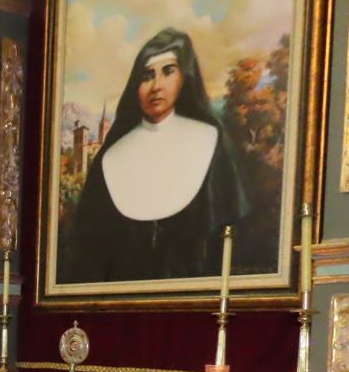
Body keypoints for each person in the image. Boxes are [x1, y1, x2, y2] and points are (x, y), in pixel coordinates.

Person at [61, 27, 249, 285]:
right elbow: (88, 255)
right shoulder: (111, 157)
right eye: (147, 76)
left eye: (168, 71)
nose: (156, 86)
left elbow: (232, 236)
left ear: (184, 77)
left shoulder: (211, 140)